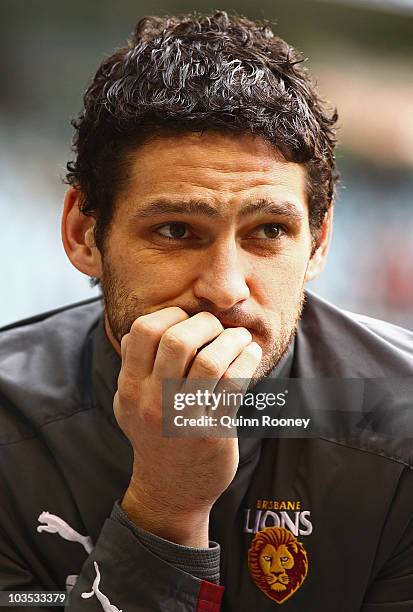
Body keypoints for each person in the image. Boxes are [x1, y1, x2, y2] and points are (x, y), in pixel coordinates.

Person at [0, 11, 412, 612]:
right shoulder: (9, 428)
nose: (225, 289)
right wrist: (166, 508)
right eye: (176, 229)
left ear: (318, 243)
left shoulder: (402, 423)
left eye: (268, 230)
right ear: (84, 233)